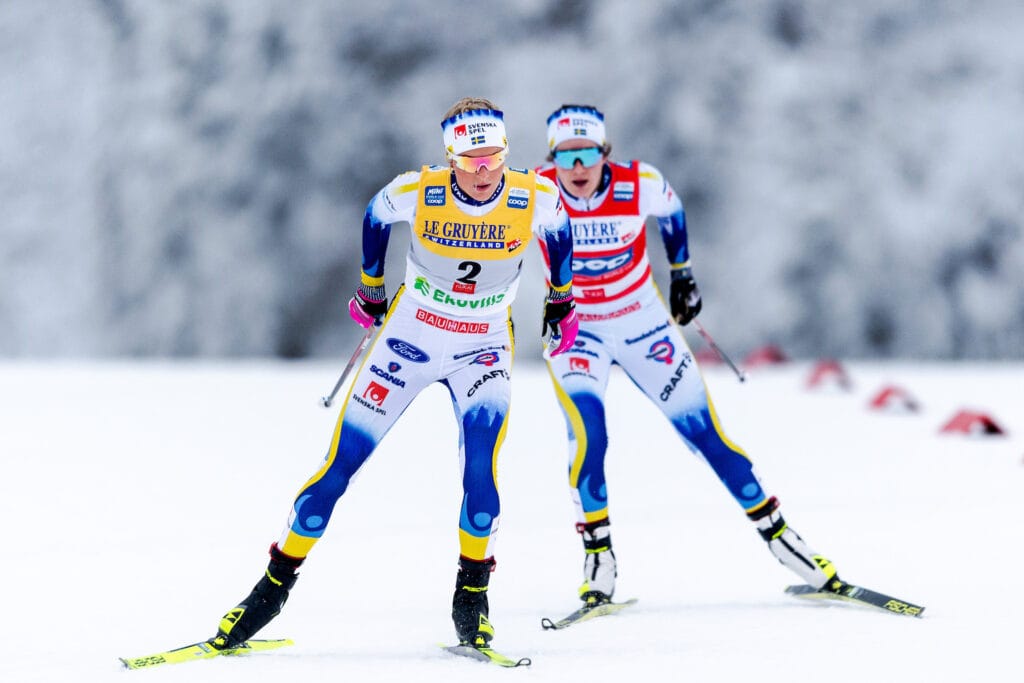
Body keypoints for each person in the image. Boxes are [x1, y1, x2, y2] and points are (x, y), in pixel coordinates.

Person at [209, 97, 578, 653]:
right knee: (338, 469)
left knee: (481, 476)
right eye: (470, 160)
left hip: (482, 347)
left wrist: (562, 299)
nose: (484, 171)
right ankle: (269, 592)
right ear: (450, 158)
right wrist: (371, 286)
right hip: (411, 337)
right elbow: (375, 216)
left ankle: (471, 599)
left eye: (494, 157)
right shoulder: (419, 190)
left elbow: (560, 232)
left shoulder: (535, 196)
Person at [535, 104, 840, 610]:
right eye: (566, 156)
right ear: (552, 160)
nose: (578, 167)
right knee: (589, 438)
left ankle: (786, 543)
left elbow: (672, 211)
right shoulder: (536, 192)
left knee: (706, 435)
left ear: (605, 152)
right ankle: (599, 559)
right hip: (576, 332)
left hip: (642, 324)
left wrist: (682, 274)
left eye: (587, 153)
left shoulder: (639, 183)